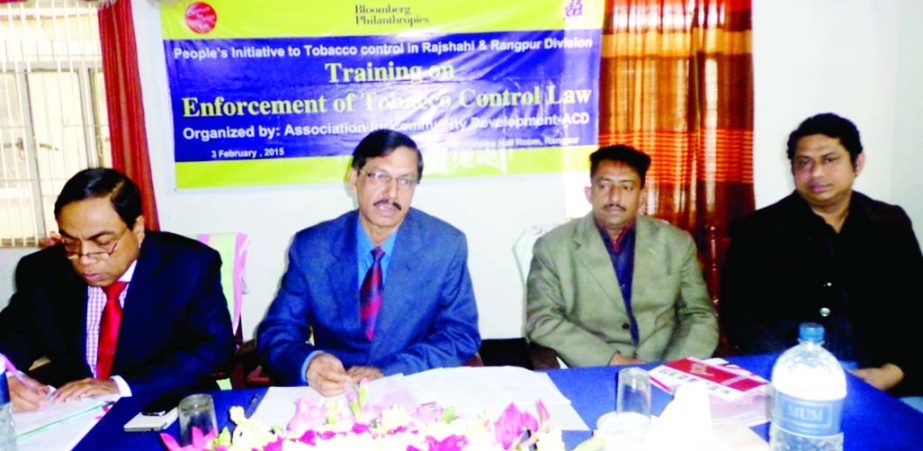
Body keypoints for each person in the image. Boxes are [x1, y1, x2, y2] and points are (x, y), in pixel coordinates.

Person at [257, 129, 480, 396]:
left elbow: (460, 334)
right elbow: (277, 332)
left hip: (414, 386)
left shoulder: (444, 245)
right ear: (354, 178)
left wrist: (387, 371)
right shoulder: (313, 247)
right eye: (379, 176)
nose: (391, 192)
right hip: (336, 392)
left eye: (405, 181)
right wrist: (309, 363)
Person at [720, 112, 923, 400]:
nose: (816, 173)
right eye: (804, 163)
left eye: (830, 160)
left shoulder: (889, 224)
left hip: (887, 378)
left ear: (857, 163)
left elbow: (915, 309)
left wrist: (893, 372)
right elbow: (741, 320)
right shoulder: (759, 230)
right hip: (794, 380)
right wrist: (803, 374)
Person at [0, 168, 235, 412]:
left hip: (163, 407)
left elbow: (214, 348)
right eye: (70, 243)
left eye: (102, 243)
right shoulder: (42, 271)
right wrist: (6, 380)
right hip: (71, 415)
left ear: (137, 229)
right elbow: (10, 338)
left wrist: (120, 386)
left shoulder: (187, 265)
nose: (85, 258)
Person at [525, 145, 719, 367]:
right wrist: (612, 360)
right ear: (589, 193)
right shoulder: (553, 247)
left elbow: (699, 315)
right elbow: (542, 320)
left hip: (667, 363)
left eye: (626, 187)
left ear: (642, 197)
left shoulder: (676, 243)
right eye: (604, 186)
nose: (614, 197)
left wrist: (673, 367)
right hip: (595, 368)